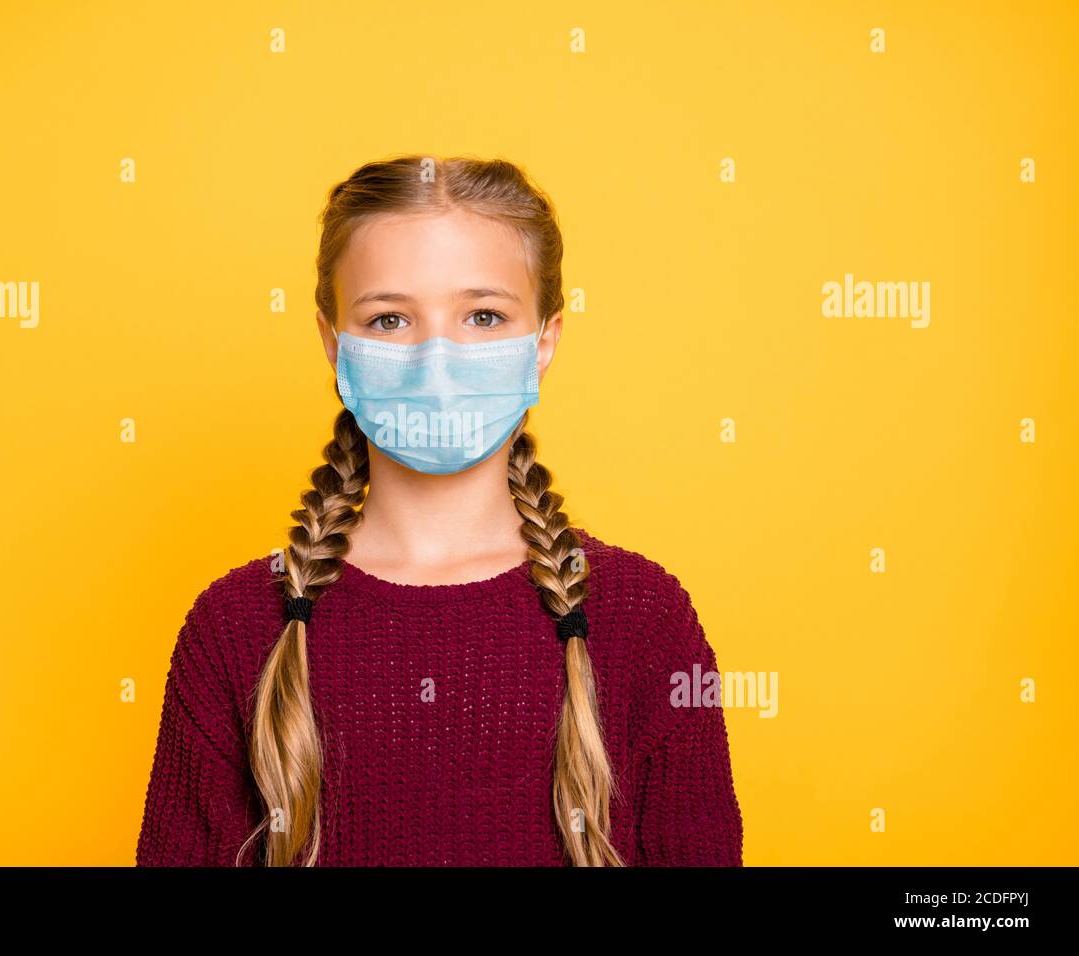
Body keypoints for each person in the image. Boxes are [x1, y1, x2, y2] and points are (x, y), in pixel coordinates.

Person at [136, 154, 743, 866]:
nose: (436, 359)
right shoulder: (236, 630)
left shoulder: (642, 619)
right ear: (334, 344)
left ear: (543, 341)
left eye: (483, 315)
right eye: (390, 319)